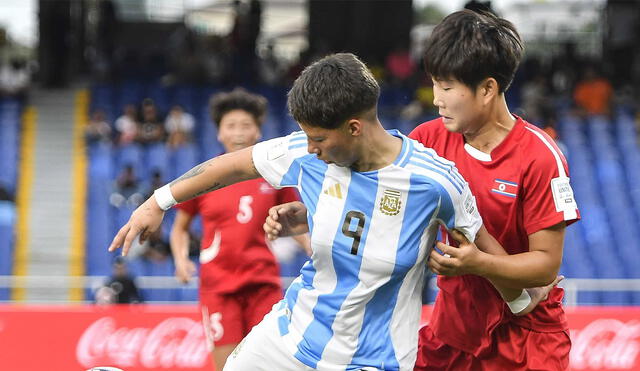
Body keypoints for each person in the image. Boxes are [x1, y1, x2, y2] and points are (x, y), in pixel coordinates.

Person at [110, 53, 544, 370]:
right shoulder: (304, 150)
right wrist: (157, 202)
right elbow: (231, 166)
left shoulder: (436, 181)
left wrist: (523, 300)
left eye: (318, 139)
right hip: (290, 339)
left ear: (354, 128)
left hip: (375, 360)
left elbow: (488, 254)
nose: (311, 150)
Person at [409, 10, 579, 370]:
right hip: (451, 334)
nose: (436, 98)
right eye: (435, 84)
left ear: (487, 89)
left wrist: (478, 264)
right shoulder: (426, 140)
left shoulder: (540, 157)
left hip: (526, 340)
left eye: (447, 86)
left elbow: (546, 265)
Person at [169, 88, 310, 370]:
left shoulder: (274, 176)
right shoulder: (203, 178)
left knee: (269, 364)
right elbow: (179, 228)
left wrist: (313, 252)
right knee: (227, 367)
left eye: (246, 126)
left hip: (263, 284)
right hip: (218, 288)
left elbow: (296, 224)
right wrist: (181, 261)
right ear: (219, 133)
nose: (238, 133)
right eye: (230, 126)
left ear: (258, 132)